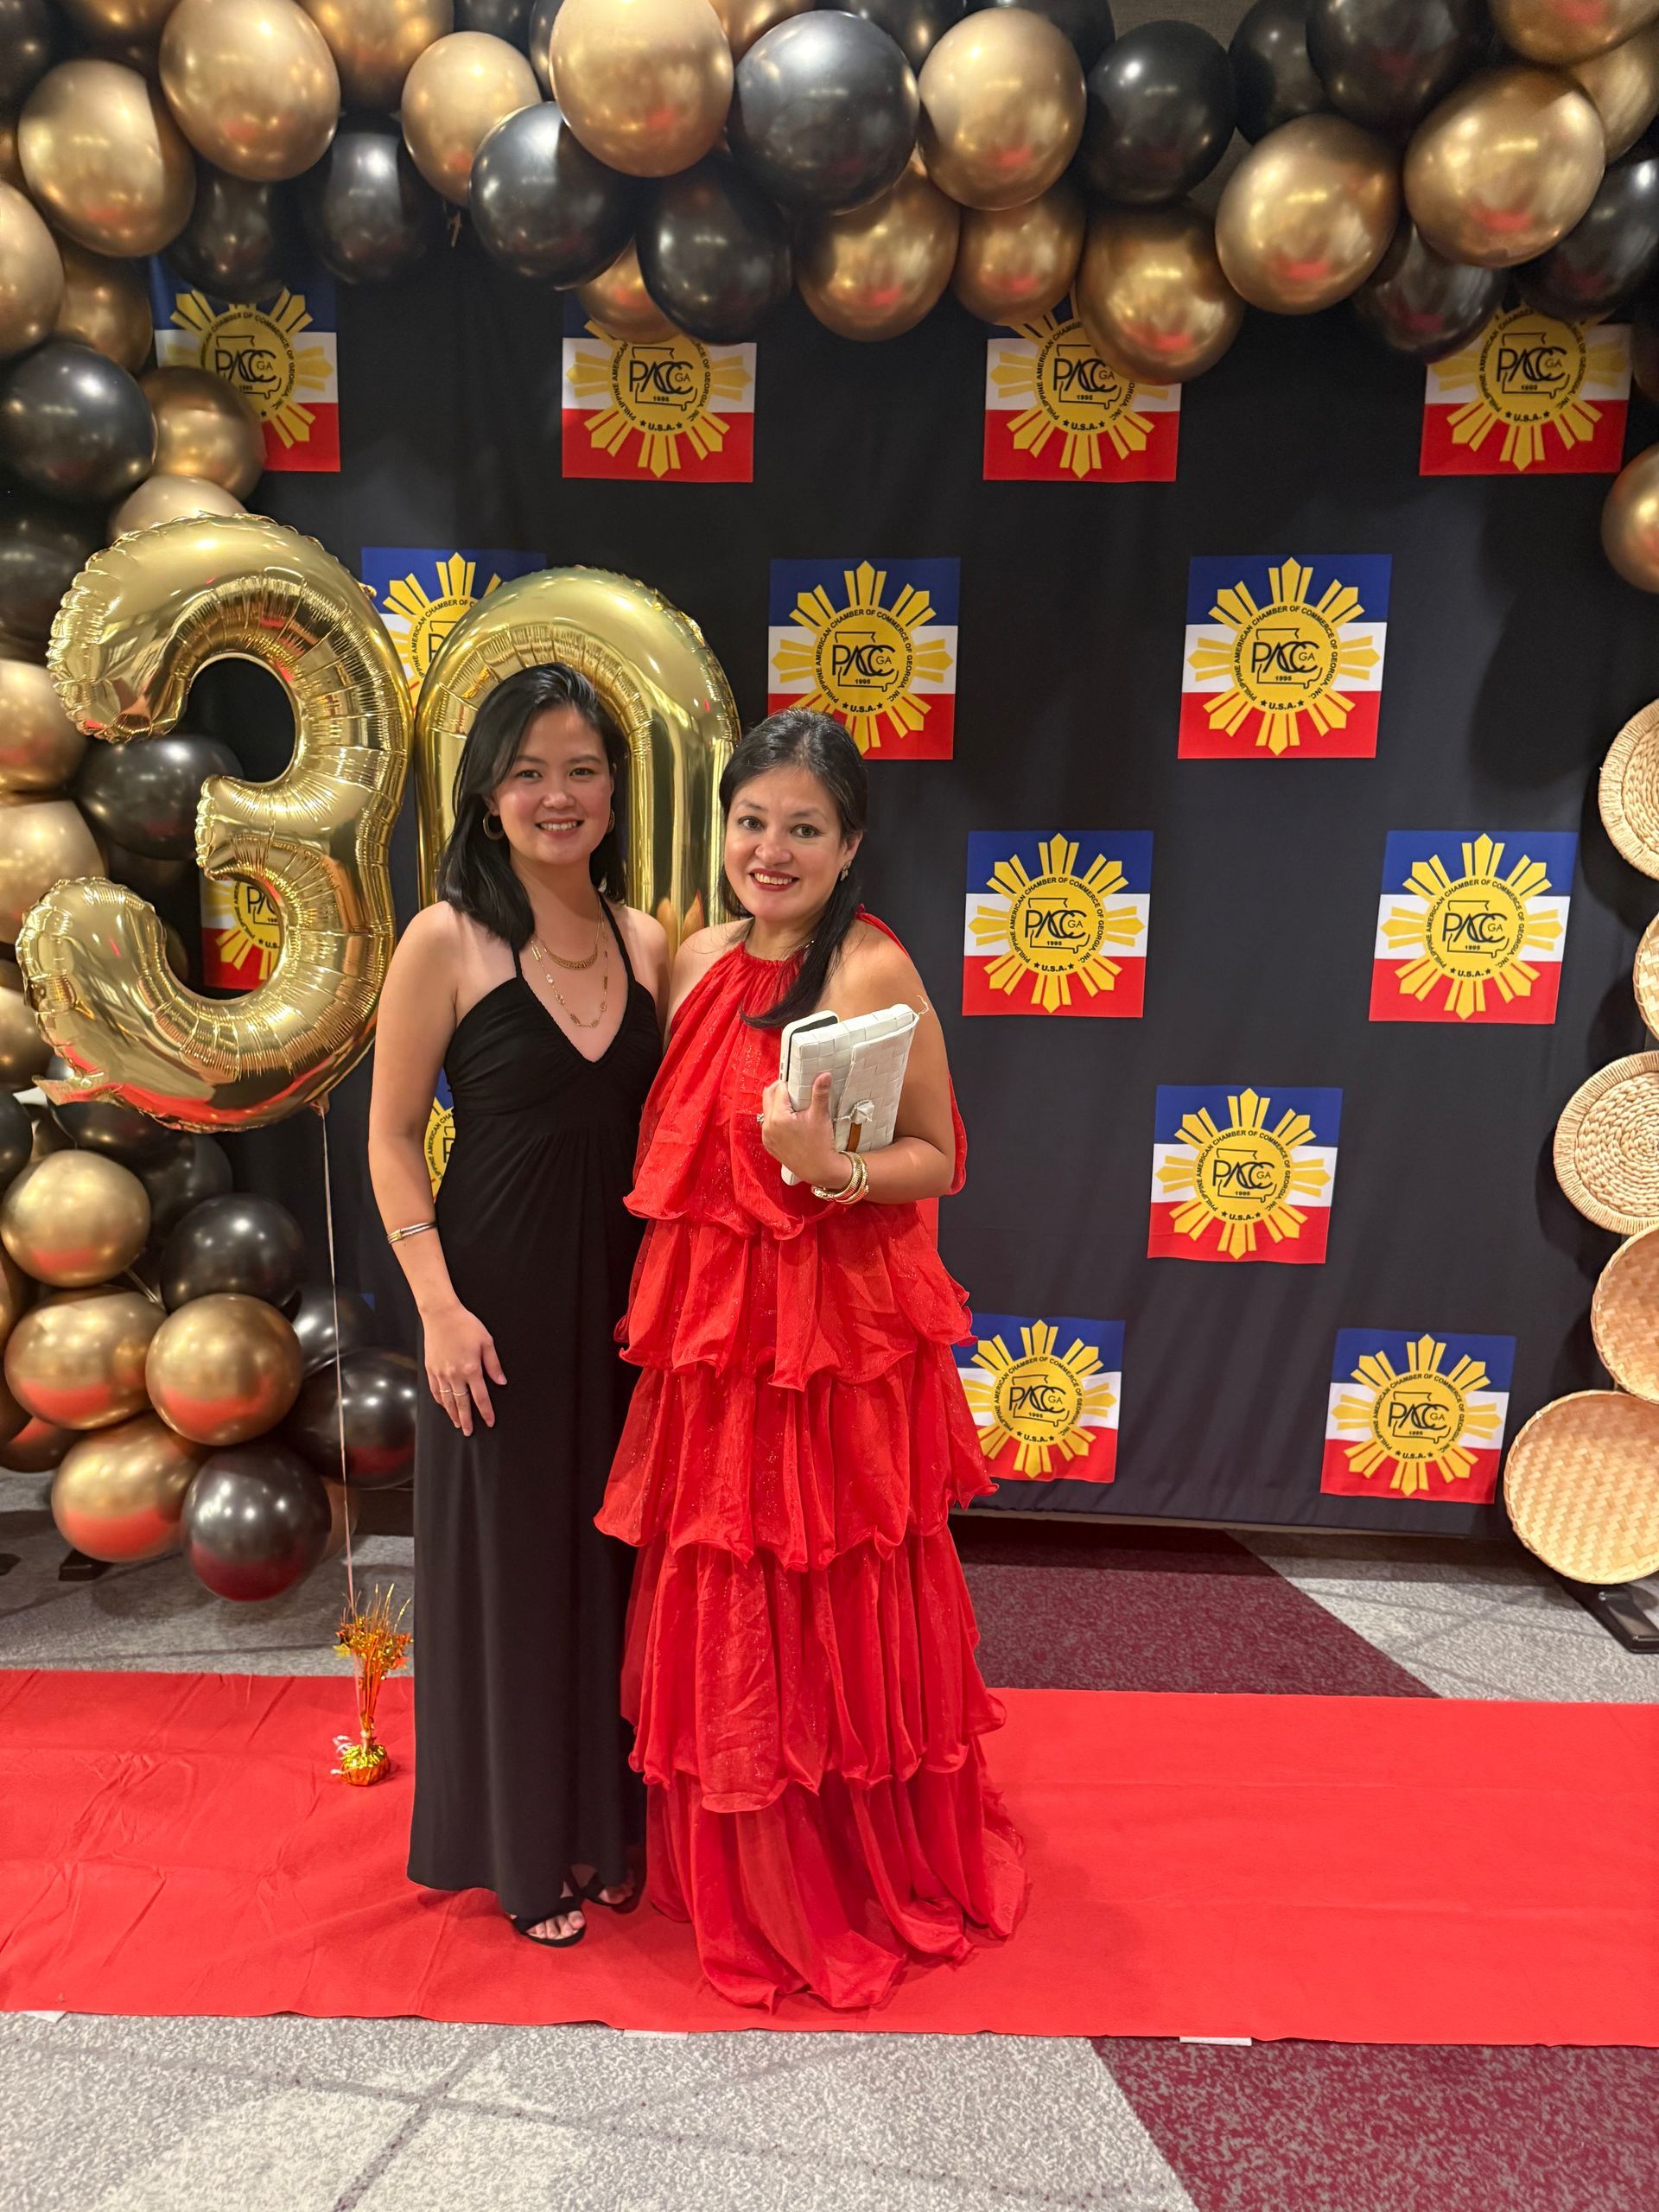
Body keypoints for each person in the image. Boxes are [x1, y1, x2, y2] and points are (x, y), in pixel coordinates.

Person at [598, 707, 1027, 2009]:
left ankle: (839, 1859)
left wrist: (824, 1166)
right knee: (726, 1576)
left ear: (849, 847)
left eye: (802, 829)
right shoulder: (693, 957)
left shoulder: (875, 974)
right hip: (714, 1340)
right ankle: (732, 1846)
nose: (770, 850)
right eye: (751, 822)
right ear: (721, 827)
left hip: (831, 1339)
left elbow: (937, 1160)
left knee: (827, 1582)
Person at [367, 663, 666, 1948]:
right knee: (514, 1580)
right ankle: (522, 1851)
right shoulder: (446, 937)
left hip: (633, 1310)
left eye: (583, 769)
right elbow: (387, 1141)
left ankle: (606, 1831)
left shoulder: (650, 937)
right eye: (531, 770)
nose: (559, 794)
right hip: (491, 1308)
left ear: (615, 789)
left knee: (617, 1569)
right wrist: (435, 1308)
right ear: (488, 793)